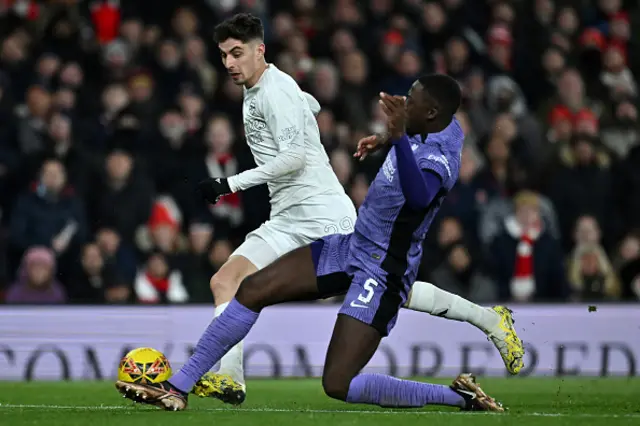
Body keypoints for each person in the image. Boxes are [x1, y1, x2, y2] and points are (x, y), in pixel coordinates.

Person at [116, 75, 506, 413]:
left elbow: (420, 197)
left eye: (413, 100)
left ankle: (459, 397)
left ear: (432, 114)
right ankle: (177, 387)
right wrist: (387, 137)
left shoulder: (441, 158)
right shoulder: (441, 125)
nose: (405, 103)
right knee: (252, 288)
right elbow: (414, 132)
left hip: (383, 270)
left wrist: (399, 139)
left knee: (338, 383)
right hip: (353, 244)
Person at [189, 13, 523, 405]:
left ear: (259, 50)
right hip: (286, 216)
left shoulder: (275, 89)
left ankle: (486, 319)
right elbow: (305, 105)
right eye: (224, 55)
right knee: (225, 281)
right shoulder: (263, 88)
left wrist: (229, 183)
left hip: (324, 214)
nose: (228, 63)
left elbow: (295, 156)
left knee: (396, 289)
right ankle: (229, 378)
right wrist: (371, 132)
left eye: (236, 54)